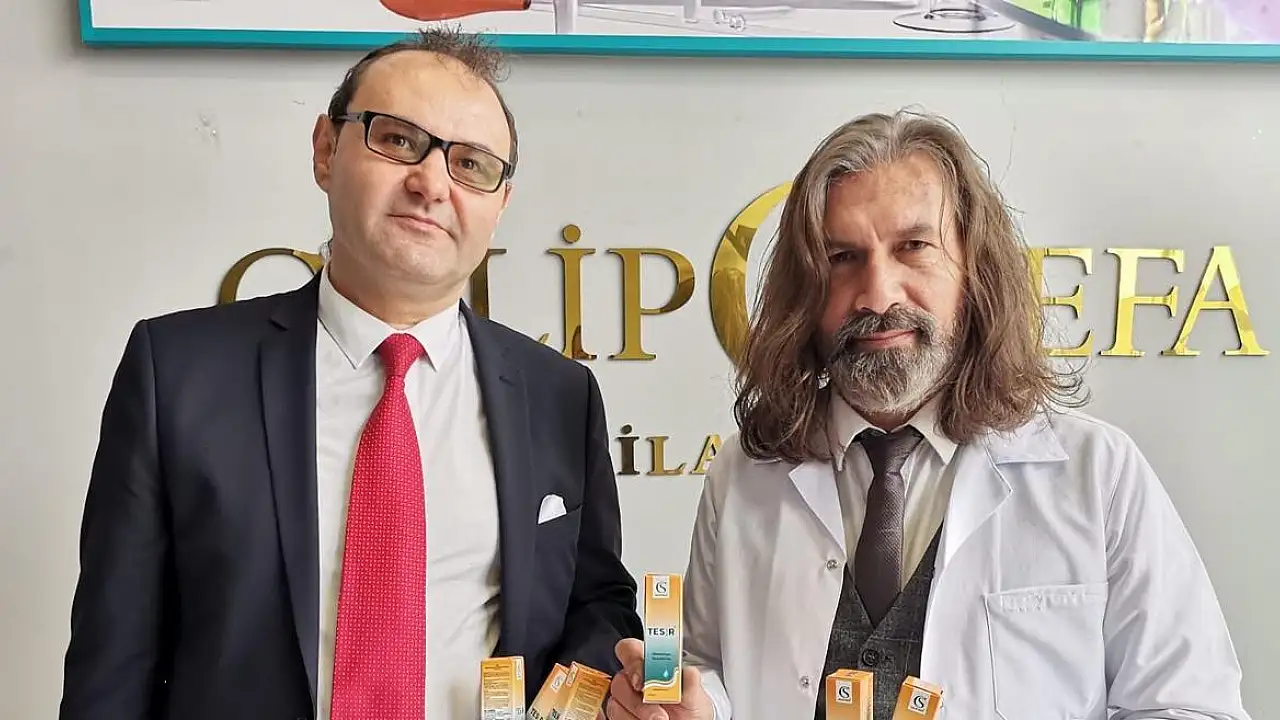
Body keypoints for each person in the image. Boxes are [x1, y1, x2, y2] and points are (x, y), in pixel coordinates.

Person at [59, 28, 642, 720]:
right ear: (326, 150)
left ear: (501, 204)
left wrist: (588, 696)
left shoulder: (559, 396)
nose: (431, 184)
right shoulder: (178, 374)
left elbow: (597, 603)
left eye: (470, 164)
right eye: (397, 140)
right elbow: (113, 664)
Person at [605, 110, 1251, 720]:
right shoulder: (743, 476)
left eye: (914, 247)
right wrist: (693, 707)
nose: (877, 294)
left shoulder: (1099, 475)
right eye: (842, 258)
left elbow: (1193, 705)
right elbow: (712, 668)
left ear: (975, 272)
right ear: (806, 288)